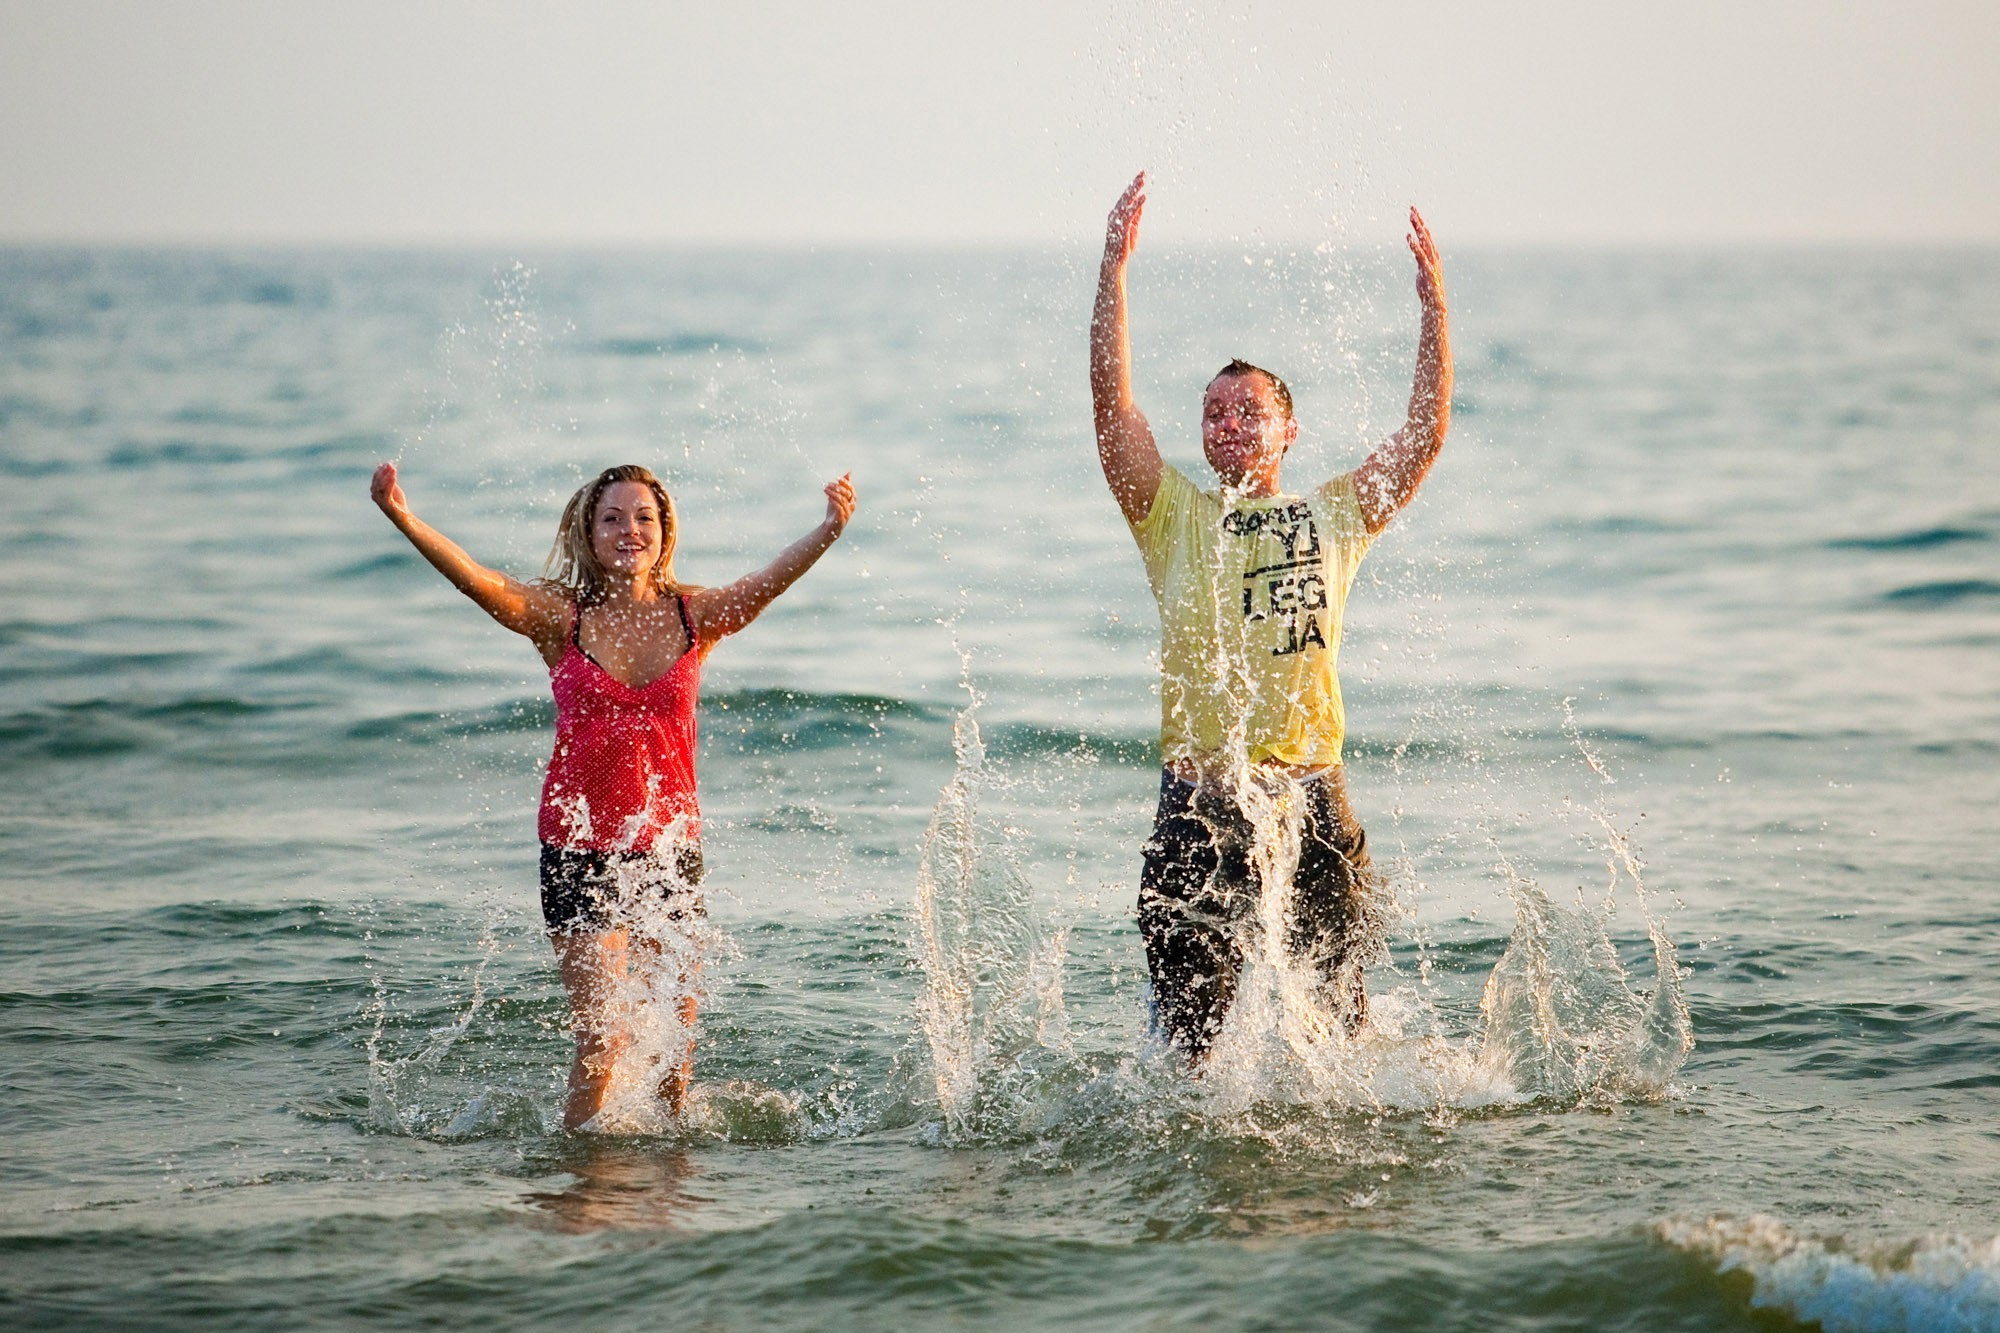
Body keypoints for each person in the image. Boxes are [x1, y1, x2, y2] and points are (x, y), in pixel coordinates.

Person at [369, 460, 856, 1129]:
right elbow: (476, 579)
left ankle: (667, 1192)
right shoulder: (558, 619)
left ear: (664, 530)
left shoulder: (696, 616)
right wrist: (400, 513)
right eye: (612, 517)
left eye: (643, 516)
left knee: (675, 1056)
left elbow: (768, 581)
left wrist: (829, 528)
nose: (630, 529)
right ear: (589, 533)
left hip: (667, 853)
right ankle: (577, 1188)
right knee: (604, 1044)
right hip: (578, 852)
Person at [1088, 171, 1451, 1067]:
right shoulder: (1171, 515)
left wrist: (1435, 308)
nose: (1229, 422)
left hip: (1314, 799)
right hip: (1199, 804)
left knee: (1342, 1042)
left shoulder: (1335, 516)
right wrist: (1112, 277)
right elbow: (1112, 412)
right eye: (1213, 412)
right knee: (1186, 1058)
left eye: (1250, 409)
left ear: (1289, 429)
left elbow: (1425, 435)